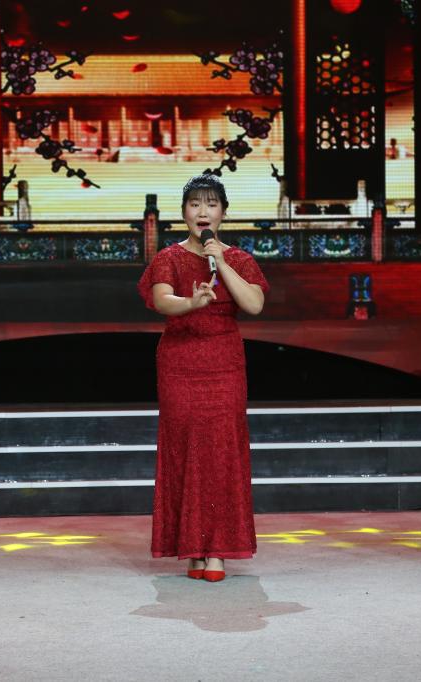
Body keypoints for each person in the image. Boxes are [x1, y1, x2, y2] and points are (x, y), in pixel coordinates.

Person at [137, 174, 268, 582]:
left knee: (221, 450)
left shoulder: (239, 259)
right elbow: (162, 300)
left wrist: (222, 263)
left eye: (211, 204)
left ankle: (218, 551)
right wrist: (191, 302)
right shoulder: (168, 258)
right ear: (184, 213)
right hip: (180, 363)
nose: (203, 211)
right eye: (195, 204)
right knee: (184, 449)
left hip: (224, 363)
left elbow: (254, 304)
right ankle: (192, 548)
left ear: (223, 213)